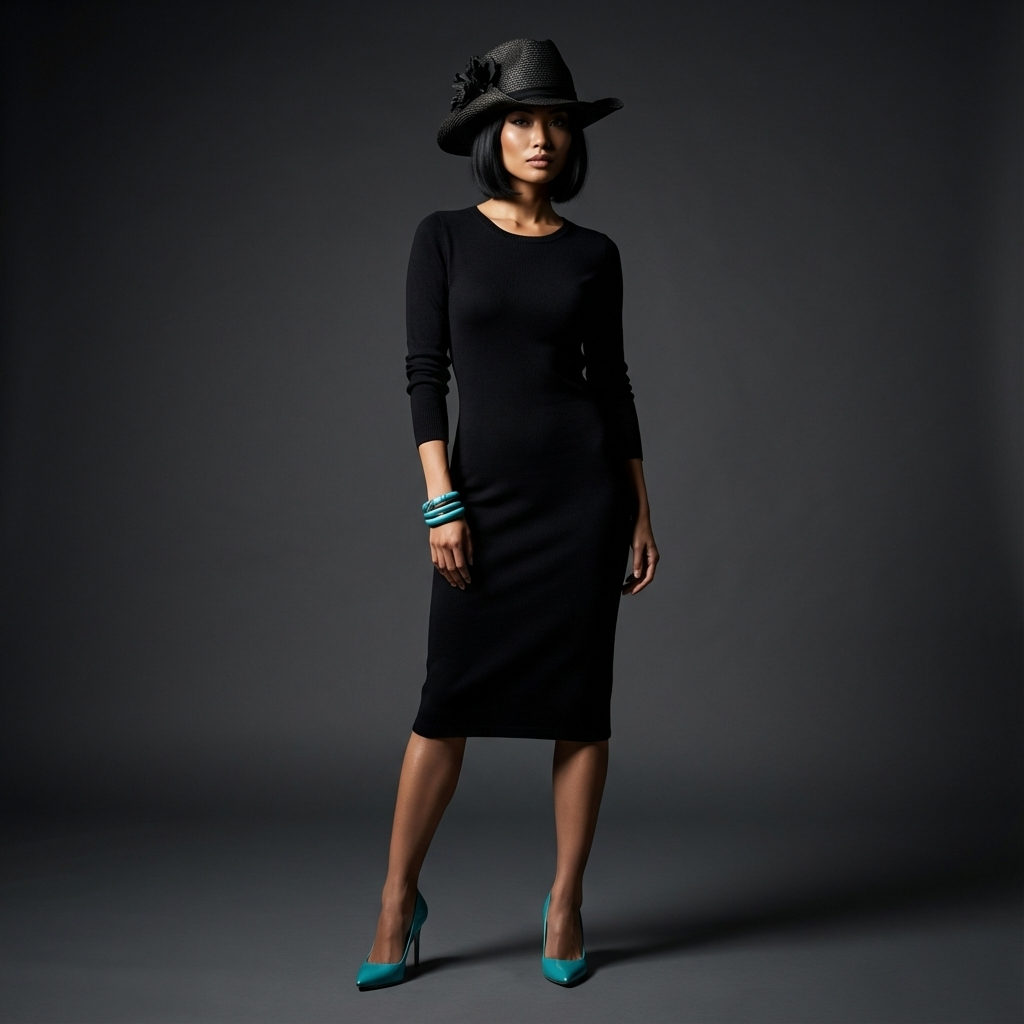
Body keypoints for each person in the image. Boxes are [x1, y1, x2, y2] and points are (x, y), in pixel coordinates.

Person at [356, 37, 658, 990]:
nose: (541, 137)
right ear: (492, 133)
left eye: (557, 122)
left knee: (582, 709)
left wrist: (642, 511)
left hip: (584, 503)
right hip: (480, 503)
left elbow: (613, 385)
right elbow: (424, 375)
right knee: (445, 707)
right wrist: (440, 501)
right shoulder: (443, 236)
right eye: (522, 119)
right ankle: (397, 901)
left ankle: (566, 901)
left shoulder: (595, 254)